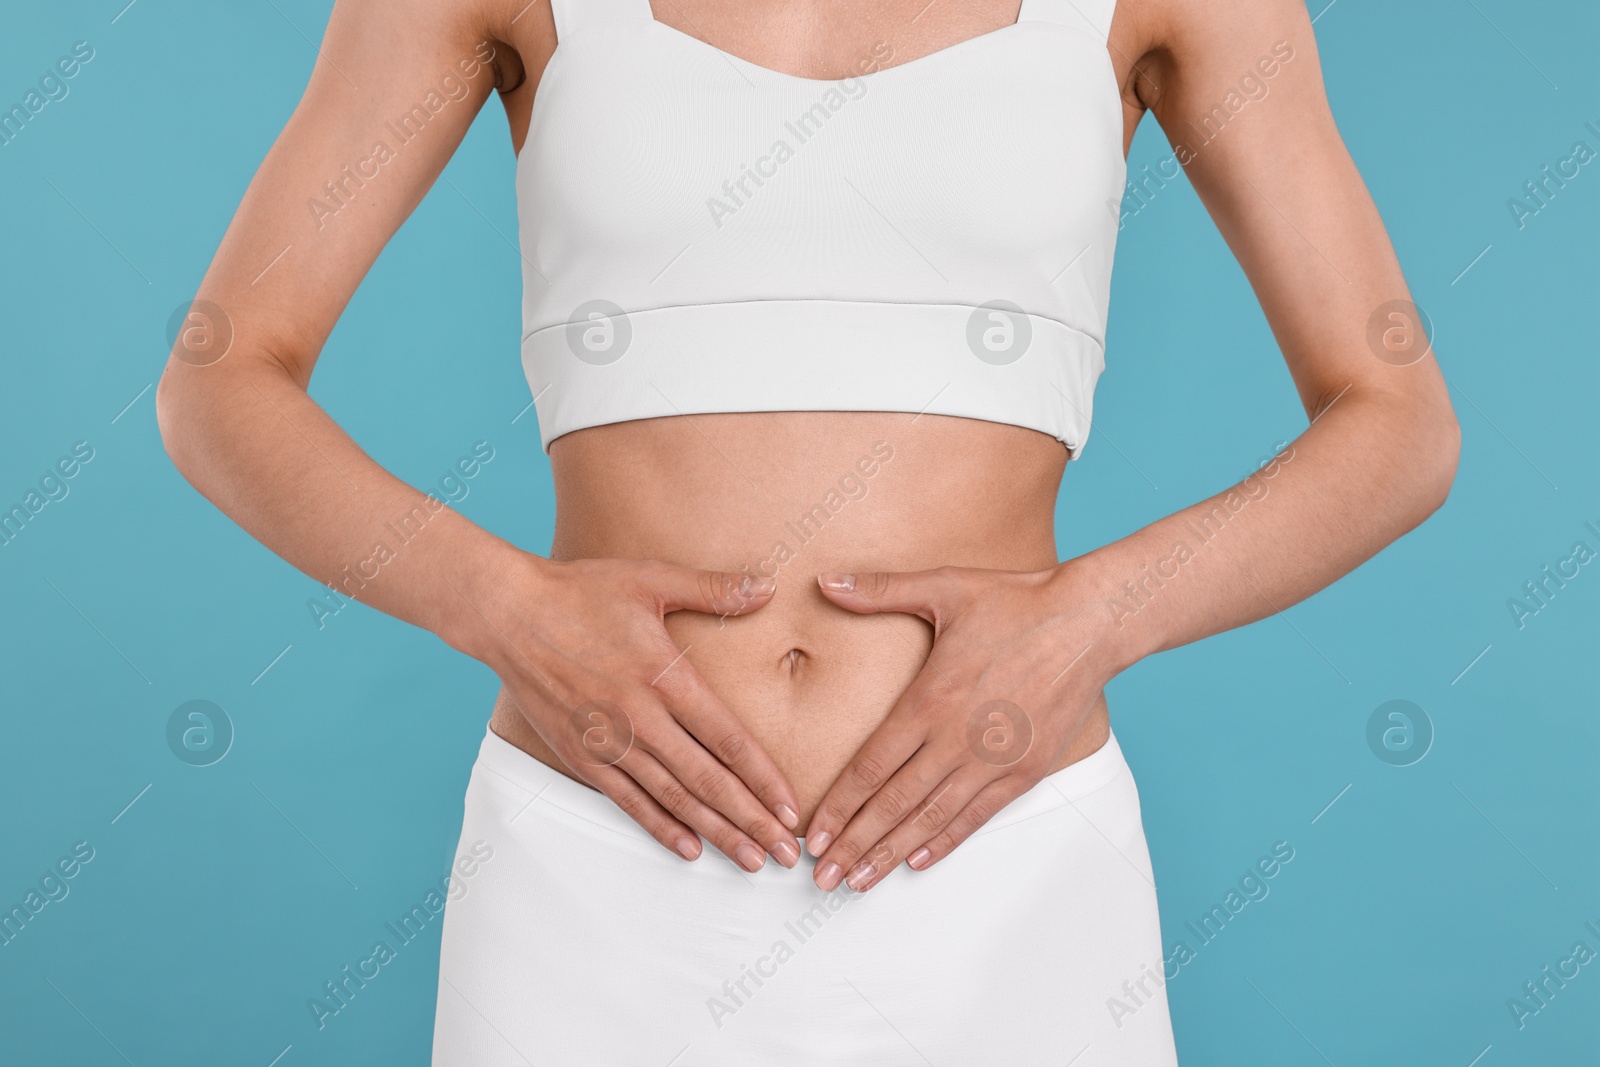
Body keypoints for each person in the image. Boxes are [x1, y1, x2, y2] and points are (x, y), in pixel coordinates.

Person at [156, 0, 1459, 1062]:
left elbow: (1398, 419)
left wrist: (1092, 618)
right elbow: (222, 377)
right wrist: (504, 608)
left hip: (1001, 863)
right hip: (598, 859)